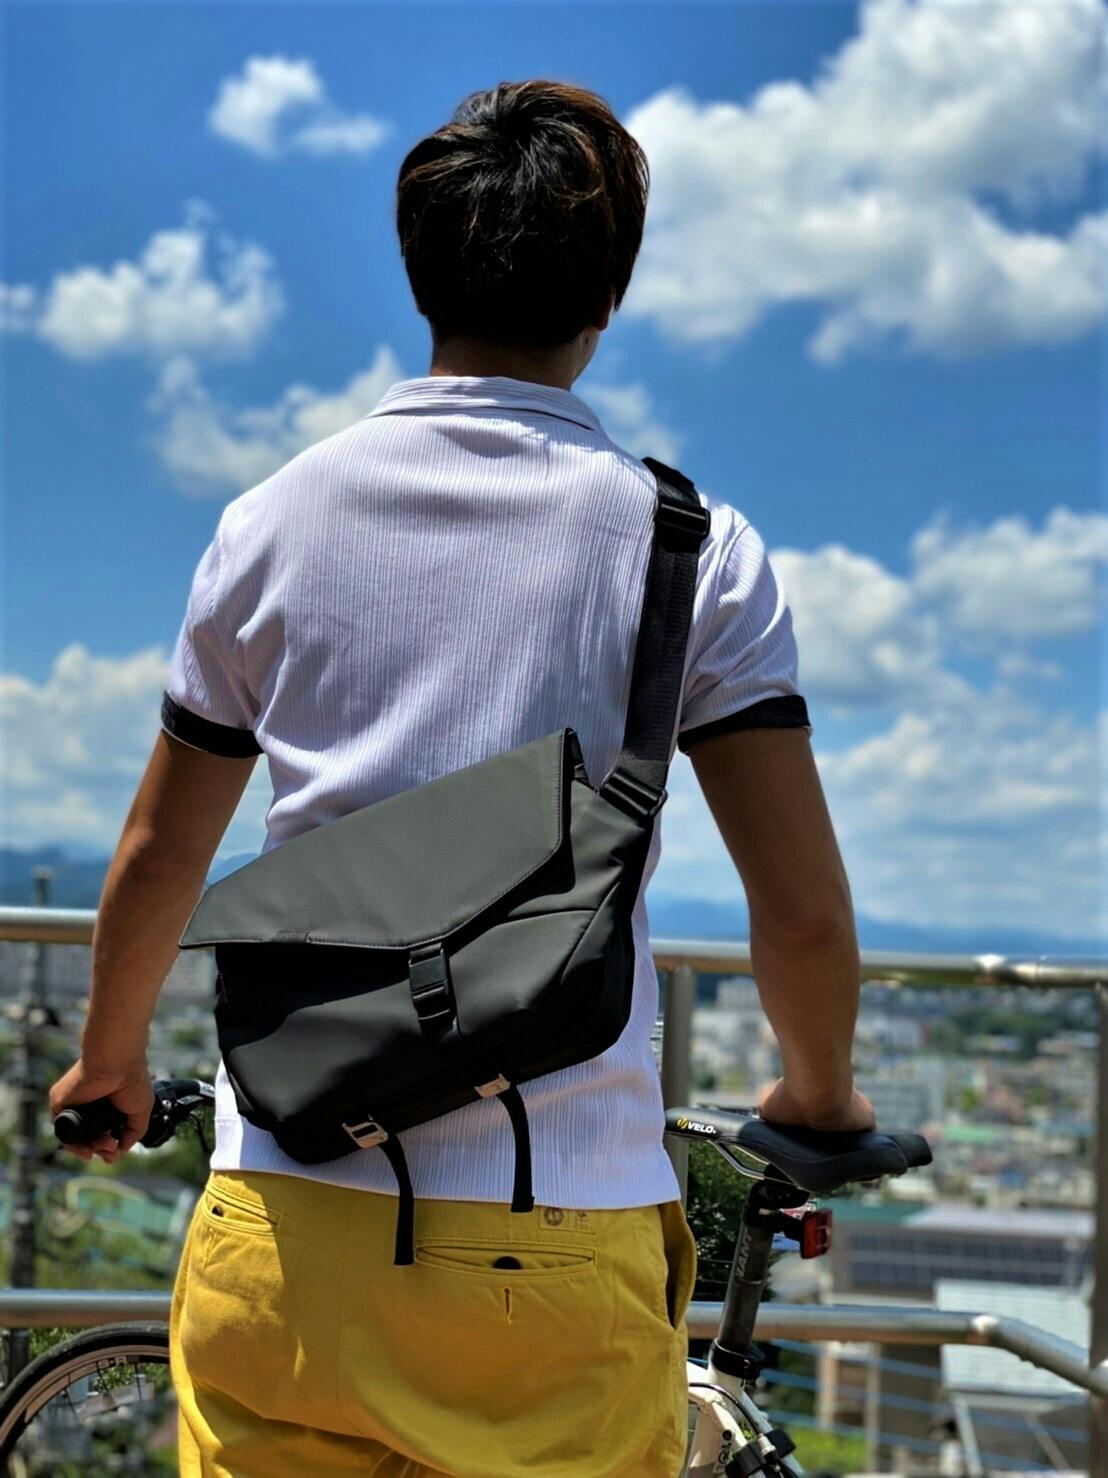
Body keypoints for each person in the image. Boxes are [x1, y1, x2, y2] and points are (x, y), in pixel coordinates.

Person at [49, 78, 875, 1478]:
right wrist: (821, 1098)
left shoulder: (270, 522)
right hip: (559, 1241)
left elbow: (159, 855)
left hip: (288, 1219)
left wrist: (111, 1058)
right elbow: (796, 909)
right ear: (608, 294)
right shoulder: (694, 548)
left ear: (418, 267)